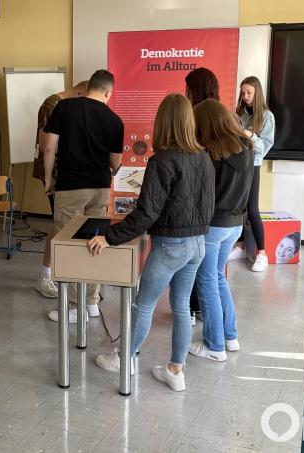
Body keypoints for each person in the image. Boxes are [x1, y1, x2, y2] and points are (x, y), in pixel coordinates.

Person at [90, 94, 214, 392]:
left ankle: (126, 358)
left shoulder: (162, 160)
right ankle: (176, 370)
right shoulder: (204, 156)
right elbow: (208, 204)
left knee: (143, 305)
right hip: (198, 245)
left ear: (163, 122)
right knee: (182, 306)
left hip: (171, 246)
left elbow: (146, 213)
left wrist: (109, 237)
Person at [41, 69, 123, 323]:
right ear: (108, 92)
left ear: (89, 87)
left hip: (70, 186)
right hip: (99, 187)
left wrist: (48, 179)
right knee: (95, 242)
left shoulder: (64, 108)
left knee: (69, 246)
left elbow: (48, 146)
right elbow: (116, 164)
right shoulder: (114, 120)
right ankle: (91, 303)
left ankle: (75, 308)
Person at [189, 99, 254, 362]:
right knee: (217, 277)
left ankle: (215, 345)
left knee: (207, 282)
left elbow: (201, 196)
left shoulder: (210, 155)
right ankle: (230, 336)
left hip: (213, 226)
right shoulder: (247, 149)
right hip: (235, 225)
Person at [32, 81, 88, 299]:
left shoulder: (68, 105)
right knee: (59, 225)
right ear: (80, 92)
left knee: (65, 224)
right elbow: (46, 143)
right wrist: (50, 178)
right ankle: (46, 275)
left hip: (69, 173)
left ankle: (61, 275)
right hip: (55, 175)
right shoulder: (52, 104)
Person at [184, 66, 220, 325]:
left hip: (197, 196)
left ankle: (190, 308)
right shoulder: (222, 114)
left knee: (194, 261)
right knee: (210, 269)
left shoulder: (195, 116)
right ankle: (199, 309)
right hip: (220, 198)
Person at [228, 76, 275, 272]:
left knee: (252, 209)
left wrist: (248, 134)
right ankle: (241, 245)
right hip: (237, 163)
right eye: (243, 93)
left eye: (248, 93)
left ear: (257, 93)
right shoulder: (239, 113)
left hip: (253, 165)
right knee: (238, 206)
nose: (245, 96)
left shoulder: (266, 116)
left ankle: (262, 253)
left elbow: (264, 147)